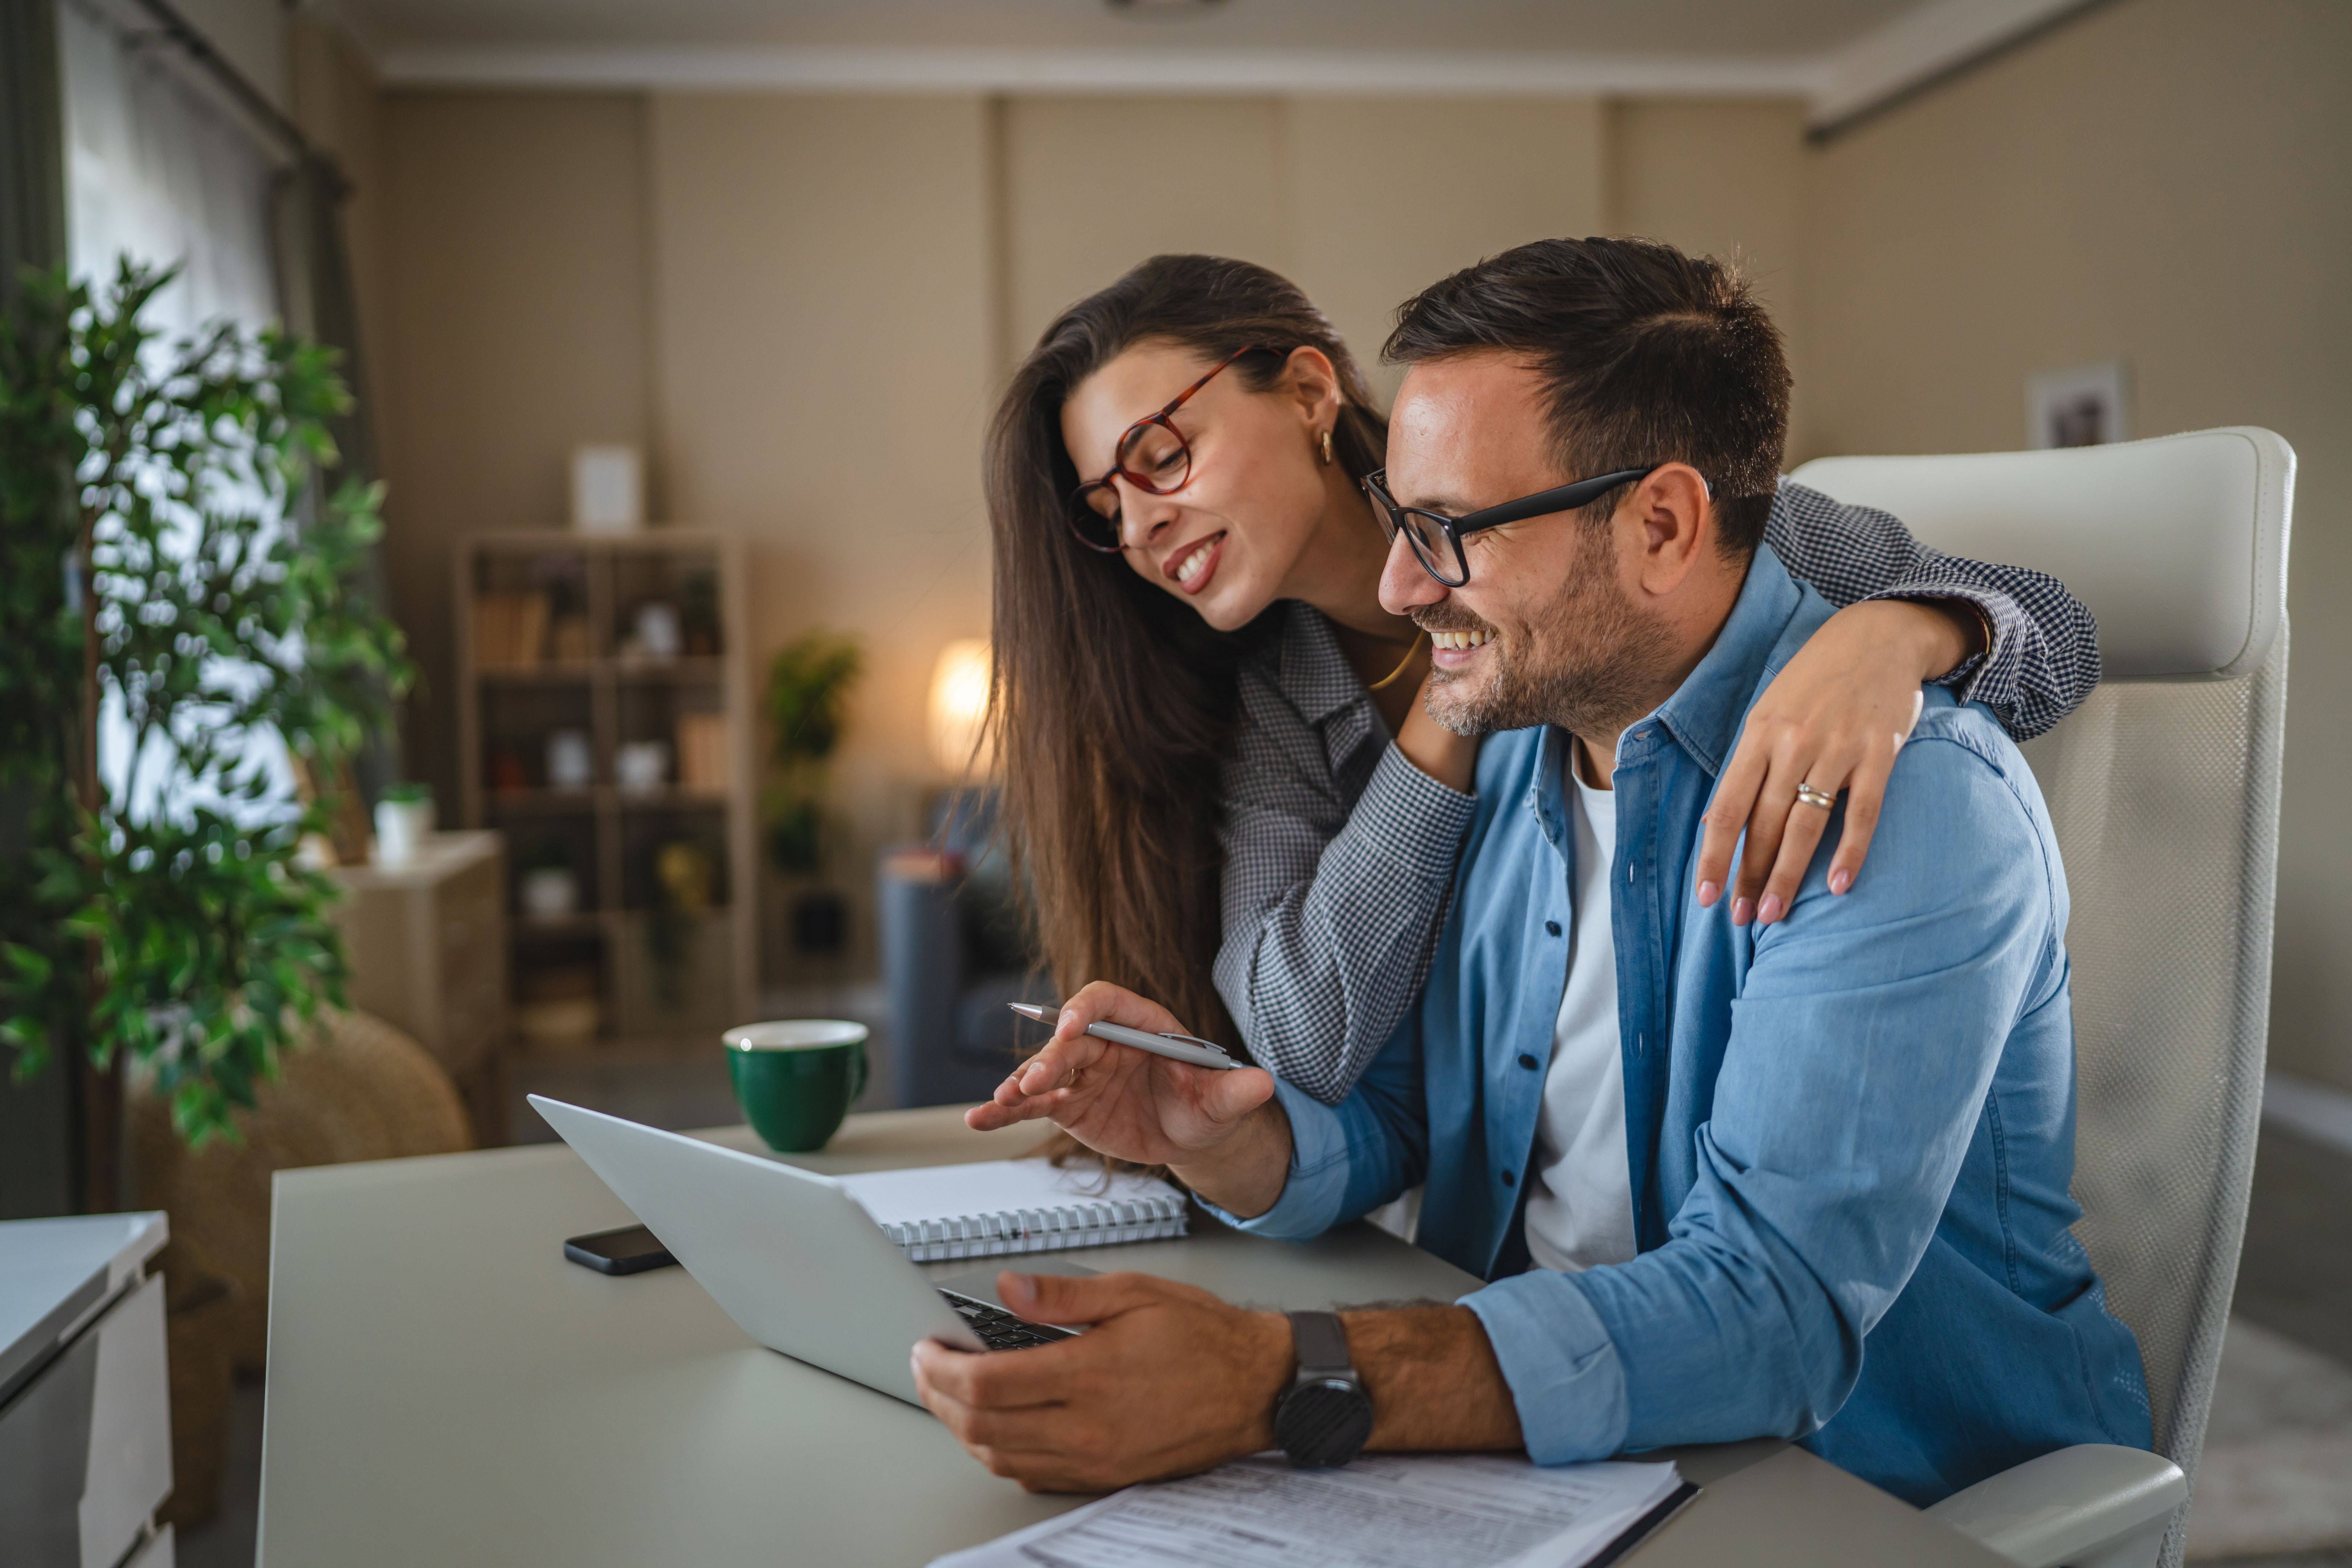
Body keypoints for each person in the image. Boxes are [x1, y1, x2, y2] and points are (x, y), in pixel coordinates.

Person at [920, 238, 2151, 1506]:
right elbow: (1414, 1115)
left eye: (1446, 531)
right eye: (1404, 523)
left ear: (1664, 525)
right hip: (1561, 1443)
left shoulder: (1897, 793)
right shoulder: (1502, 747)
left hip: (1853, 1490)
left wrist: (1286, 1374)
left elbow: (1769, 1311)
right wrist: (1225, 1145)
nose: (1403, 587)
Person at [987, 255, 2100, 1106]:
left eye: (1160, 457)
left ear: (1310, 391)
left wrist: (1898, 636)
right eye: (1106, 510)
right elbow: (1299, 1034)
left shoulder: (1597, 527)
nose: (1141, 524)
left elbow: (2062, 631)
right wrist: (1457, 682)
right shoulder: (1272, 701)